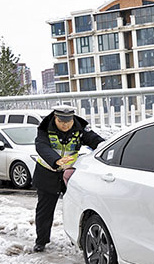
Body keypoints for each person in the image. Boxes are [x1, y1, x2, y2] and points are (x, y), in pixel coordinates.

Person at [33, 105, 104, 252]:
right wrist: (56, 160)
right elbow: (41, 146)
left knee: (77, 209)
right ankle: (41, 241)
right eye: (61, 121)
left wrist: (108, 149)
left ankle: (76, 238)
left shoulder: (81, 129)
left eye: (68, 121)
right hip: (47, 173)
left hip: (70, 176)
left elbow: (96, 141)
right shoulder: (45, 129)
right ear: (55, 118)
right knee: (45, 211)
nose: (65, 125)